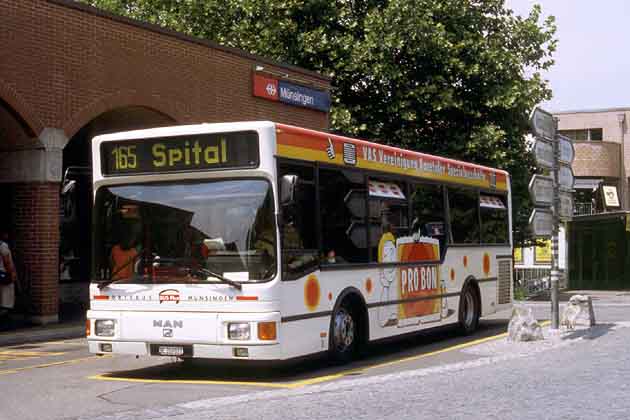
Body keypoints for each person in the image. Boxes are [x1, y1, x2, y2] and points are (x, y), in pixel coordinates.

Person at [0, 229, 17, 312]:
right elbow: (7, 261)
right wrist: (12, 273)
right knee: (6, 297)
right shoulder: (3, 245)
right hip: (4, 273)